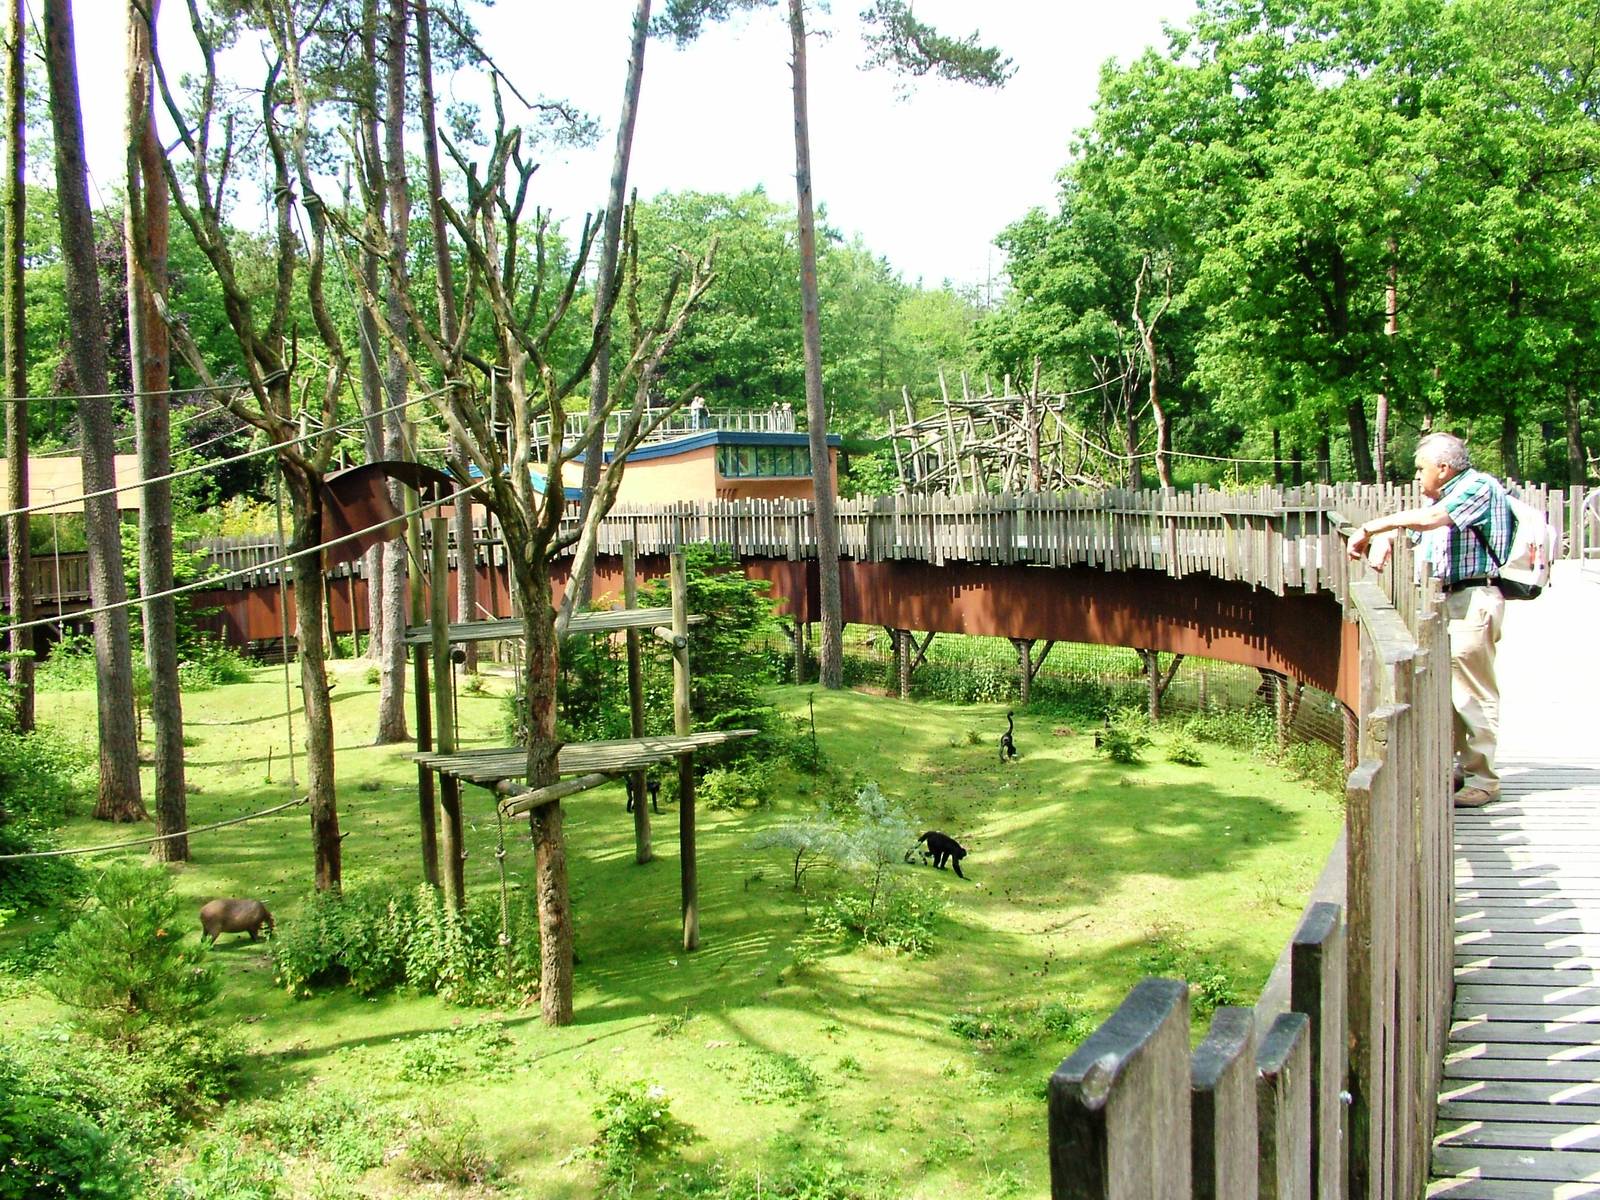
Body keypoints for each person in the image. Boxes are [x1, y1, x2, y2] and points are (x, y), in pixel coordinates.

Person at [1347, 432, 1516, 808]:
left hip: (1472, 597)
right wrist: (1388, 536)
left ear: (1443, 467)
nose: (1417, 475)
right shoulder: (1445, 493)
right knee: (1451, 690)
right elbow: (1422, 525)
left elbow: (1432, 520)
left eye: (1421, 468)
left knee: (1471, 692)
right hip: (1452, 599)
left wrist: (1372, 527)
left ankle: (1483, 779)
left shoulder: (1477, 487)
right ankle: (1465, 766)